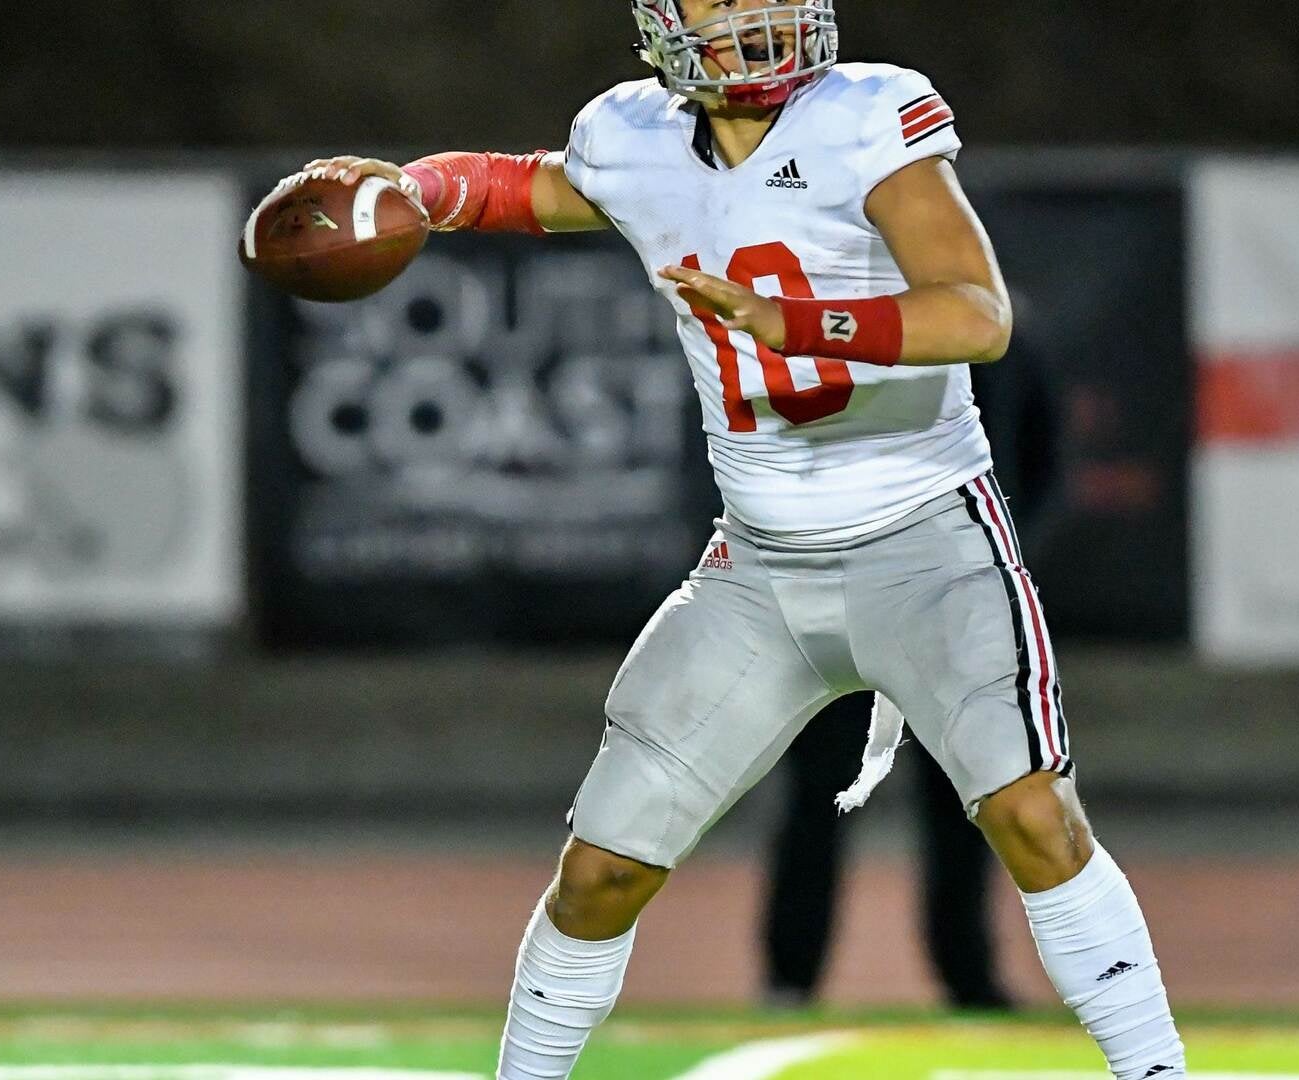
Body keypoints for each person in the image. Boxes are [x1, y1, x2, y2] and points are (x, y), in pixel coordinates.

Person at [280, 2, 1188, 1076]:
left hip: (927, 543)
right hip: (760, 570)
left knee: (1036, 820)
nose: (759, 10)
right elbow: (525, 187)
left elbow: (977, 315)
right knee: (602, 870)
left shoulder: (870, 113)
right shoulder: (634, 136)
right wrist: (412, 190)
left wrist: (792, 322)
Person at [764, 692, 1014, 1010]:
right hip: (860, 665)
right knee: (820, 794)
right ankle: (790, 976)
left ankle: (970, 975)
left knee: (961, 799)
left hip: (929, 664)